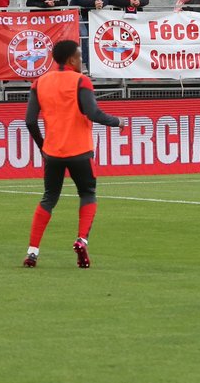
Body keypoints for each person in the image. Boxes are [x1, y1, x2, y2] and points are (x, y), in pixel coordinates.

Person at [22, 40, 128, 269]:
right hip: (80, 150)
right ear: (71, 59)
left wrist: (43, 147)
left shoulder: (39, 83)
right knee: (88, 193)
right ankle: (81, 240)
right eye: (79, 57)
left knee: (49, 198)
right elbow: (93, 113)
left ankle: (32, 252)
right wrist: (118, 121)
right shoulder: (81, 81)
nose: (81, 60)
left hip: (53, 152)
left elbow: (30, 121)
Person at [70, 0, 107, 70]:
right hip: (80, 14)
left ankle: (93, 66)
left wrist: (102, 3)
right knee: (85, 37)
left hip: (95, 15)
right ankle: (85, 64)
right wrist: (93, 3)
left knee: (94, 38)